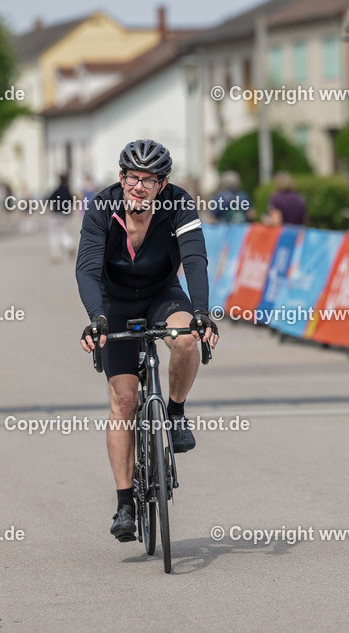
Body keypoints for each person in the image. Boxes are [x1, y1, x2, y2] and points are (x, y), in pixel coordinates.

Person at [76, 139, 219, 543]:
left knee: (187, 338)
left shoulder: (179, 205)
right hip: (113, 303)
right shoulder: (102, 208)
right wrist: (96, 319)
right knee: (124, 400)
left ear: (163, 184)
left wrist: (202, 311)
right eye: (132, 178)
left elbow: (194, 260)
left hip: (162, 294)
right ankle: (125, 502)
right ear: (121, 178)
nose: (139, 187)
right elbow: (86, 269)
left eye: (149, 180)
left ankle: (174, 413)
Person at [46, 172, 76, 263]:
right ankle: (70, 244)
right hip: (65, 215)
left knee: (54, 235)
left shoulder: (57, 190)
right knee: (63, 233)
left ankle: (56, 255)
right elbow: (71, 200)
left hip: (56, 214)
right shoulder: (67, 190)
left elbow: (50, 199)